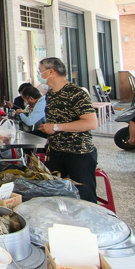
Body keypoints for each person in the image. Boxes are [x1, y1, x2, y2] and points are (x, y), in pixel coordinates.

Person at [36, 57, 98, 202]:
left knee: (84, 197)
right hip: (56, 152)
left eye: (40, 72)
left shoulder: (76, 93)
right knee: (55, 195)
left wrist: (57, 127)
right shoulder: (50, 94)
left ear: (51, 71)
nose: (39, 75)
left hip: (79, 153)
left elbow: (91, 123)